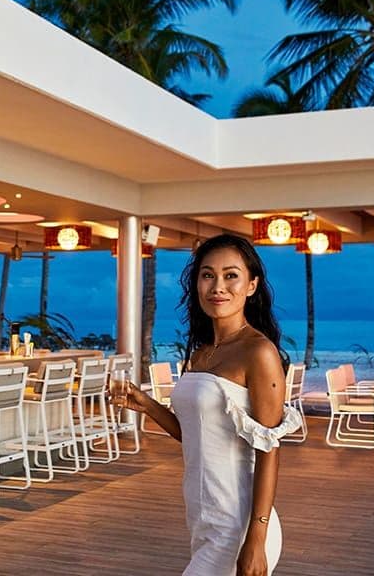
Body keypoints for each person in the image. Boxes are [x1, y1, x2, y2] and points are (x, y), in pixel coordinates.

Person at [117, 234, 301, 576]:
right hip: (204, 517)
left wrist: (256, 540)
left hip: (239, 523)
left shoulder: (258, 352)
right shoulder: (202, 352)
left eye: (231, 275)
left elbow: (269, 451)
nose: (218, 286)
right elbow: (202, 437)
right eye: (207, 275)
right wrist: (148, 406)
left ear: (251, 285)